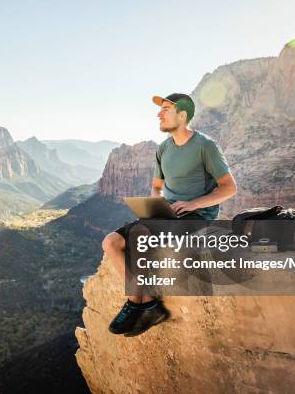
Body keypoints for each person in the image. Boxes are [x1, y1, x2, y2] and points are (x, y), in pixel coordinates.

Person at [101, 93, 237, 337]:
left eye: (165, 109)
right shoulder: (163, 148)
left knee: (140, 236)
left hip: (197, 218)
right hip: (166, 215)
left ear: (182, 115)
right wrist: (157, 203)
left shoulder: (206, 146)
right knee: (111, 242)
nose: (159, 114)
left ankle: (136, 303)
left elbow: (229, 188)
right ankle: (148, 304)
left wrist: (194, 204)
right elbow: (156, 185)